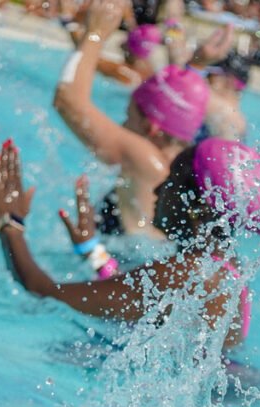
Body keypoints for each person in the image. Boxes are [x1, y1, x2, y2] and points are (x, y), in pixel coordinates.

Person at [0, 136, 260, 349]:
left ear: (197, 206)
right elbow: (137, 301)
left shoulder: (188, 272)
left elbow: (45, 292)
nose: (157, 190)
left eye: (171, 180)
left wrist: (10, 223)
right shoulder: (224, 266)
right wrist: (93, 253)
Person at [52, 0, 233, 237]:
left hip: (114, 258)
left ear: (151, 128)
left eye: (129, 117)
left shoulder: (147, 160)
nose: (122, 125)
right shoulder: (182, 168)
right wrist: (195, 66)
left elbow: (67, 102)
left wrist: (95, 33)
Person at [197, 51, 256, 142]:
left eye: (209, 75)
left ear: (228, 81)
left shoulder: (222, 110)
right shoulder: (240, 121)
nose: (205, 79)